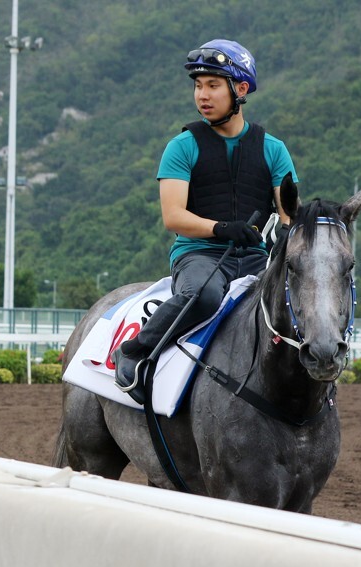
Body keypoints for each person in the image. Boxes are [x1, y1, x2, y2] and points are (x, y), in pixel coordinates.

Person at [113, 39, 296, 403]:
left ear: (240, 90)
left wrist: (285, 233)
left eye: (213, 85)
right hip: (200, 255)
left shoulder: (274, 149)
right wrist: (222, 228)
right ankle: (133, 352)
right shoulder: (182, 146)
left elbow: (289, 212)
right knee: (204, 294)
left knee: (296, 301)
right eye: (198, 85)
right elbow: (173, 216)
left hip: (256, 259)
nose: (202, 95)